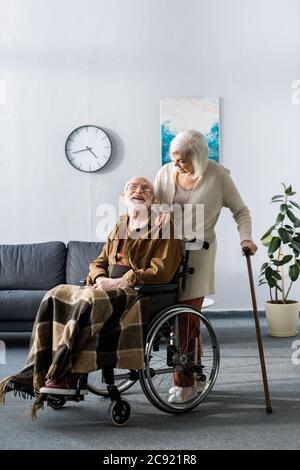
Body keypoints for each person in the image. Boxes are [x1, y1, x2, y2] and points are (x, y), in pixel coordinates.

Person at [0, 177, 182, 412]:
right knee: (55, 294)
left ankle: (69, 375)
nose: (139, 191)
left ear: (153, 199)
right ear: (123, 197)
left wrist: (120, 281)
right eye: (133, 188)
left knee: (87, 299)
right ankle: (39, 370)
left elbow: (162, 271)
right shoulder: (120, 224)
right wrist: (98, 278)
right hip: (106, 286)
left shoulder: (164, 227)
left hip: (136, 292)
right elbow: (100, 260)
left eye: (145, 188)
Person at [154, 130, 258, 403]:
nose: (176, 165)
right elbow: (153, 208)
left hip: (199, 254)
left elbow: (241, 211)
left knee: (187, 317)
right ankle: (197, 373)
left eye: (183, 161)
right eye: (174, 159)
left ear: (198, 159)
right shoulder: (165, 173)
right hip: (166, 254)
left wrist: (246, 238)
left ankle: (183, 382)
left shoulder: (218, 176)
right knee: (174, 316)